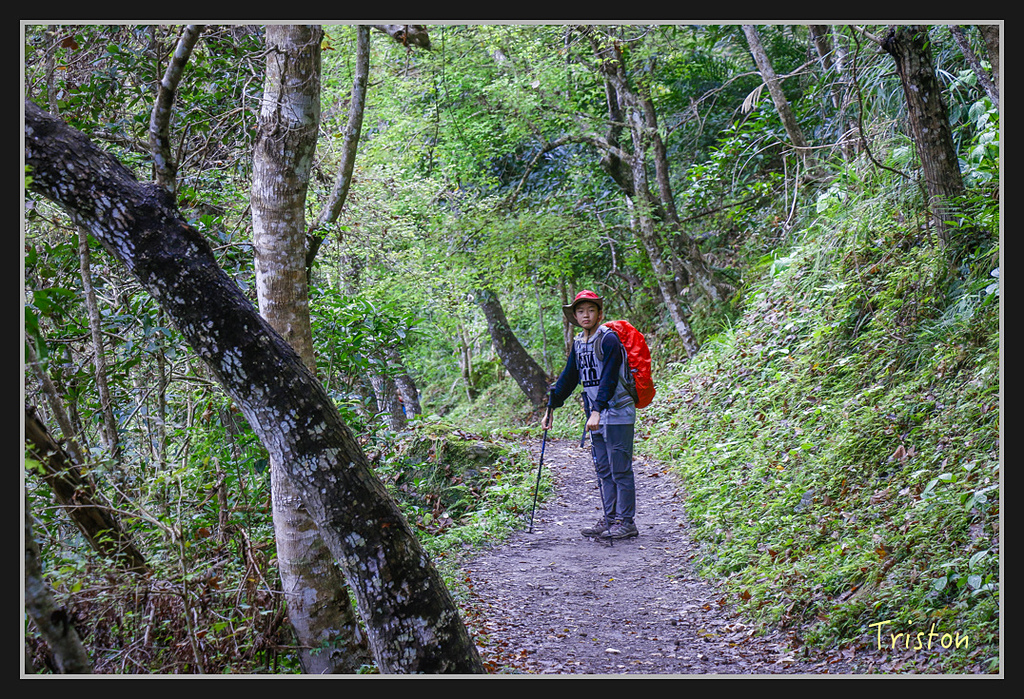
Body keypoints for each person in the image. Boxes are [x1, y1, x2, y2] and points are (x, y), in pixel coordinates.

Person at [542, 290, 638, 540]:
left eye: (591, 310)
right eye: (581, 311)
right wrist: (551, 407)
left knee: (620, 469)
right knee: (604, 469)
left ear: (600, 314)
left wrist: (596, 410)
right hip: (595, 415)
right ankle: (609, 517)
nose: (586, 315)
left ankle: (626, 521)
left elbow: (608, 377)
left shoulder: (609, 340)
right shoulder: (579, 344)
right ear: (574, 316)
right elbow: (568, 378)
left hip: (617, 411)